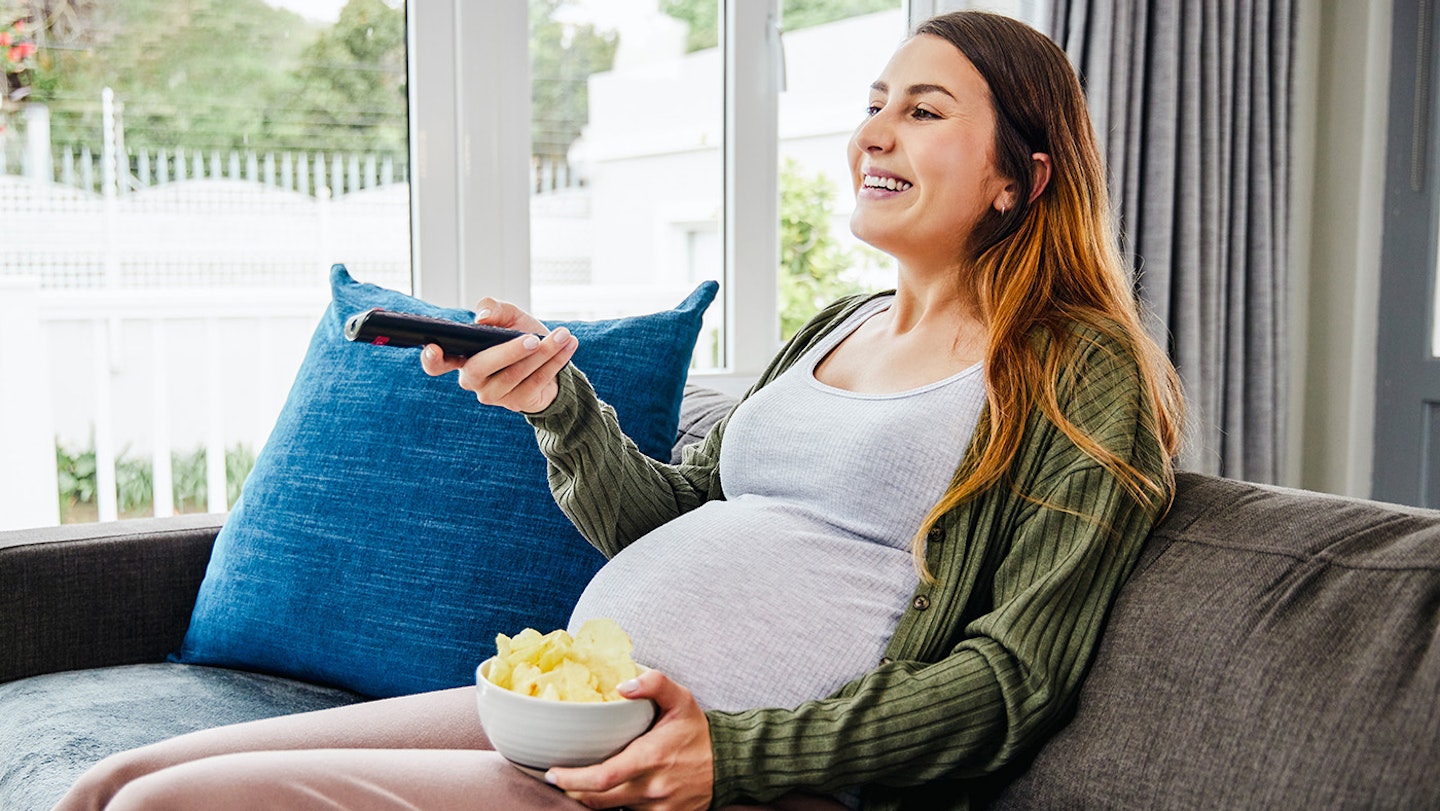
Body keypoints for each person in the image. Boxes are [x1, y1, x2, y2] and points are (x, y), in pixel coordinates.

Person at [53, 10, 1184, 811]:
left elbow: (1011, 678)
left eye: (924, 111)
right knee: (115, 781)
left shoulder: (1076, 369)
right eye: (874, 103)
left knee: (180, 804)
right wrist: (557, 403)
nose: (874, 132)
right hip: (580, 714)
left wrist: (727, 757)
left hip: (718, 773)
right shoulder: (841, 320)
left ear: (1020, 177)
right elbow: (675, 519)